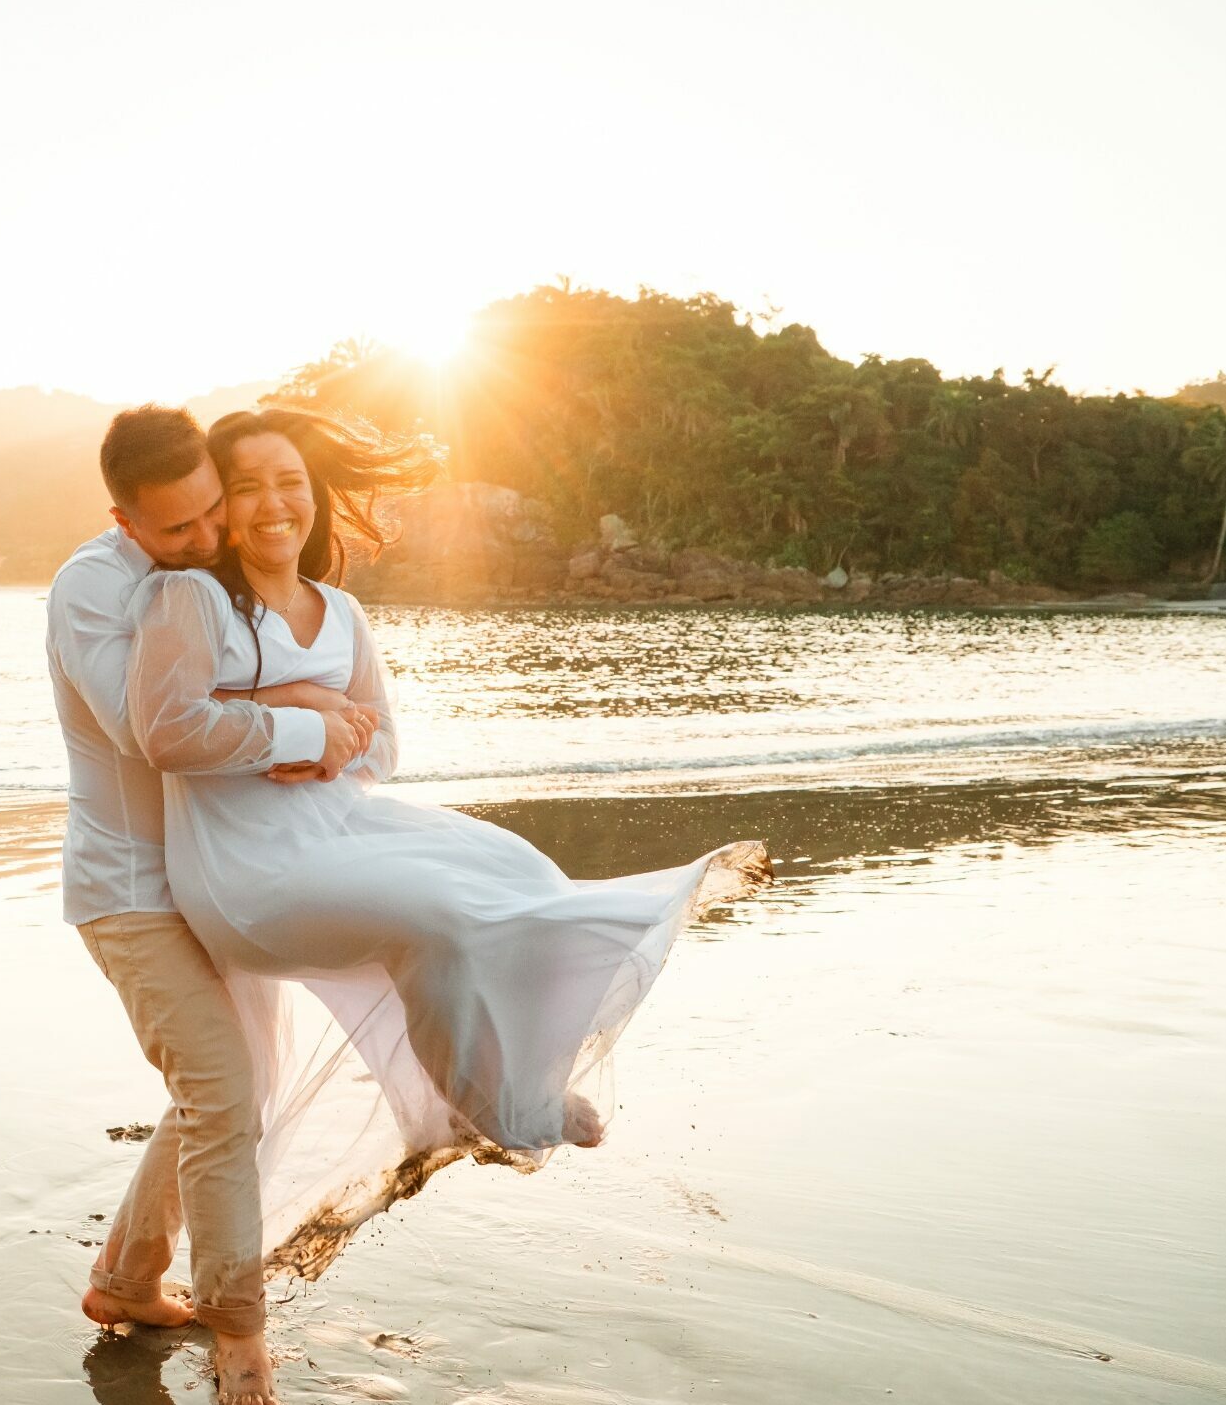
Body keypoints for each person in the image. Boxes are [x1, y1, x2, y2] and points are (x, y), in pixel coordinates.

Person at [124, 405, 772, 1284]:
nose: (274, 504)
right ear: (218, 508)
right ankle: (495, 1105)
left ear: (314, 494)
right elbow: (167, 732)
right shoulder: (194, 596)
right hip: (244, 868)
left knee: (519, 870)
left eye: (290, 482)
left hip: (336, 827)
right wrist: (301, 716)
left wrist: (332, 736)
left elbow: (382, 748)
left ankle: (525, 1070)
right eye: (246, 489)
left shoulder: (341, 612)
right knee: (437, 917)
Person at [46, 404, 369, 1405]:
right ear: (123, 518)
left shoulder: (218, 573)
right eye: (174, 529)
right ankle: (243, 1338)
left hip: (220, 876)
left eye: (211, 513)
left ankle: (128, 1282)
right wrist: (307, 718)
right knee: (225, 1091)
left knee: (228, 1092)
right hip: (134, 888)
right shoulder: (95, 584)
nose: (202, 539)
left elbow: (276, 674)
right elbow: (154, 729)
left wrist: (326, 719)